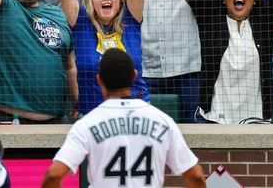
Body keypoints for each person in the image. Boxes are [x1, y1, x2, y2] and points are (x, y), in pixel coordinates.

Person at [42, 49, 207, 188]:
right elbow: (197, 177)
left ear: (99, 80)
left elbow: (54, 174)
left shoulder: (86, 124)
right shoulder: (163, 121)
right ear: (134, 76)